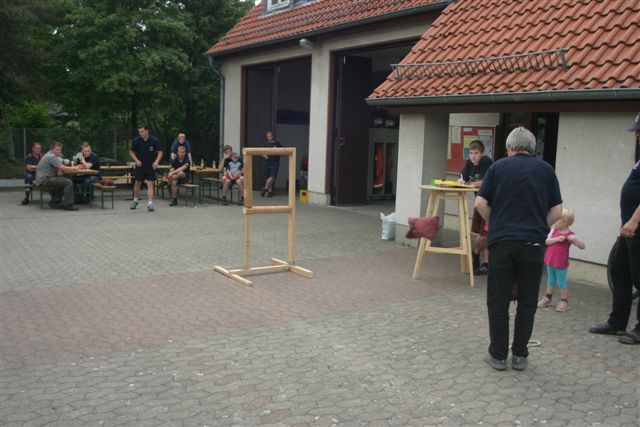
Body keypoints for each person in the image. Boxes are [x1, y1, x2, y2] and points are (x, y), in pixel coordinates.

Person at [475, 127, 563, 371]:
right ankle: (520, 355)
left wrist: (496, 224)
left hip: (502, 242)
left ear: (510, 147)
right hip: (533, 244)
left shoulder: (498, 167)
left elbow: (480, 202)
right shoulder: (546, 170)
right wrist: (539, 228)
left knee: (498, 299)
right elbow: (557, 211)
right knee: (527, 300)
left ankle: (498, 354)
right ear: (532, 148)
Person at [589, 113, 640, 344]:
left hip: (635, 228)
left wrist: (634, 220)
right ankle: (617, 322)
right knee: (620, 272)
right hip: (629, 231)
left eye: (639, 130)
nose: (636, 135)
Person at [537, 208, 586, 312]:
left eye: (556, 219)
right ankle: (547, 298)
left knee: (561, 282)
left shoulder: (570, 235)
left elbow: (582, 246)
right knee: (550, 280)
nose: (554, 221)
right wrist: (556, 239)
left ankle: (564, 301)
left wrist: (575, 239)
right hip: (550, 261)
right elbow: (546, 241)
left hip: (561, 263)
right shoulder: (554, 231)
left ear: (565, 222)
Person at [457, 140, 493, 275]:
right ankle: (484, 262)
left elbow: (483, 182)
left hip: (490, 202)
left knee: (485, 234)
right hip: (479, 201)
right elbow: (462, 178)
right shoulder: (469, 163)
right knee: (482, 234)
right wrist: (461, 181)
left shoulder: (486, 162)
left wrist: (468, 183)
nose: (473, 156)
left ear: (482, 153)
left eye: (476, 153)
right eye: (471, 153)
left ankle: (477, 255)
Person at [35, 141, 81, 211]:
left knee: (64, 180)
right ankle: (68, 205)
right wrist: (76, 168)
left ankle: (55, 203)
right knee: (68, 182)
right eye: (57, 149)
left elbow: (60, 171)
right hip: (44, 180)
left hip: (46, 178)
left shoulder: (54, 155)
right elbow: (62, 167)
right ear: (52, 149)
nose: (59, 151)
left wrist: (64, 169)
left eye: (60, 149)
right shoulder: (51, 156)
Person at [129, 124, 163, 211]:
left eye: (142, 131)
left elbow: (160, 152)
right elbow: (131, 151)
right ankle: (135, 201)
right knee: (137, 183)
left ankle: (150, 203)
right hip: (140, 166)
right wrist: (136, 160)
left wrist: (156, 162)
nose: (140, 133)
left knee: (150, 184)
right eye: (139, 132)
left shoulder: (154, 140)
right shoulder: (136, 140)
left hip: (150, 166)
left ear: (147, 131)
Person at [261, 130, 282, 197]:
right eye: (268, 136)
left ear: (273, 136)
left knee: (273, 177)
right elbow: (261, 152)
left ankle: (265, 188)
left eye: (270, 136)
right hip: (266, 163)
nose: (269, 137)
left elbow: (282, 151)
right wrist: (265, 156)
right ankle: (270, 192)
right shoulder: (265, 144)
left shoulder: (278, 144)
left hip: (275, 163)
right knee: (268, 177)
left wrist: (277, 150)